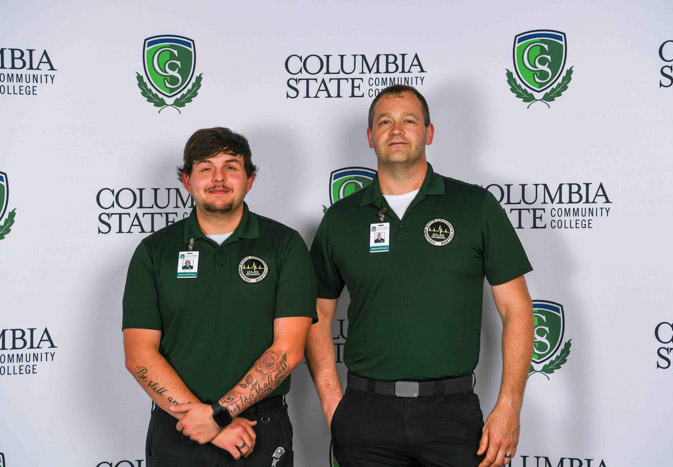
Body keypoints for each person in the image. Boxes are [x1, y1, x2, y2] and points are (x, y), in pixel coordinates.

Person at [306, 85, 534, 467]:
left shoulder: (475, 206)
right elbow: (316, 314)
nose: (396, 130)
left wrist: (509, 407)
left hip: (453, 416)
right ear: (370, 137)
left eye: (409, 120)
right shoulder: (341, 218)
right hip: (365, 417)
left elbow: (517, 309)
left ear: (428, 133)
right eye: (384, 122)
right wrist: (334, 407)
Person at [123, 127, 316, 466]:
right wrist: (211, 423)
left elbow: (288, 351)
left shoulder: (284, 245)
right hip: (178, 428)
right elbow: (139, 355)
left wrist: (217, 415)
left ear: (249, 179)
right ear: (187, 180)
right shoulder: (153, 252)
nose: (218, 178)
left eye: (231, 167)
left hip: (259, 431)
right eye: (205, 167)